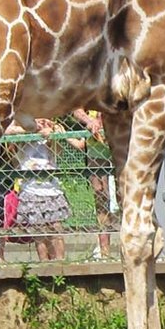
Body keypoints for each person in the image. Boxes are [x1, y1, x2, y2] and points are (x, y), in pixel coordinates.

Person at [3, 118, 71, 261]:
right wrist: (30, 128)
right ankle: (44, 264)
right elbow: (7, 132)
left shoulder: (51, 132)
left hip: (52, 190)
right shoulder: (21, 135)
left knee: (55, 228)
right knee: (38, 232)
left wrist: (50, 135)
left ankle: (60, 263)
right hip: (30, 190)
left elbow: (58, 150)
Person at [72, 108, 117, 258]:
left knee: (125, 196)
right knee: (101, 197)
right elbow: (76, 110)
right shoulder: (90, 95)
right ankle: (105, 251)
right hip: (96, 153)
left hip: (119, 146)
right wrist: (90, 121)